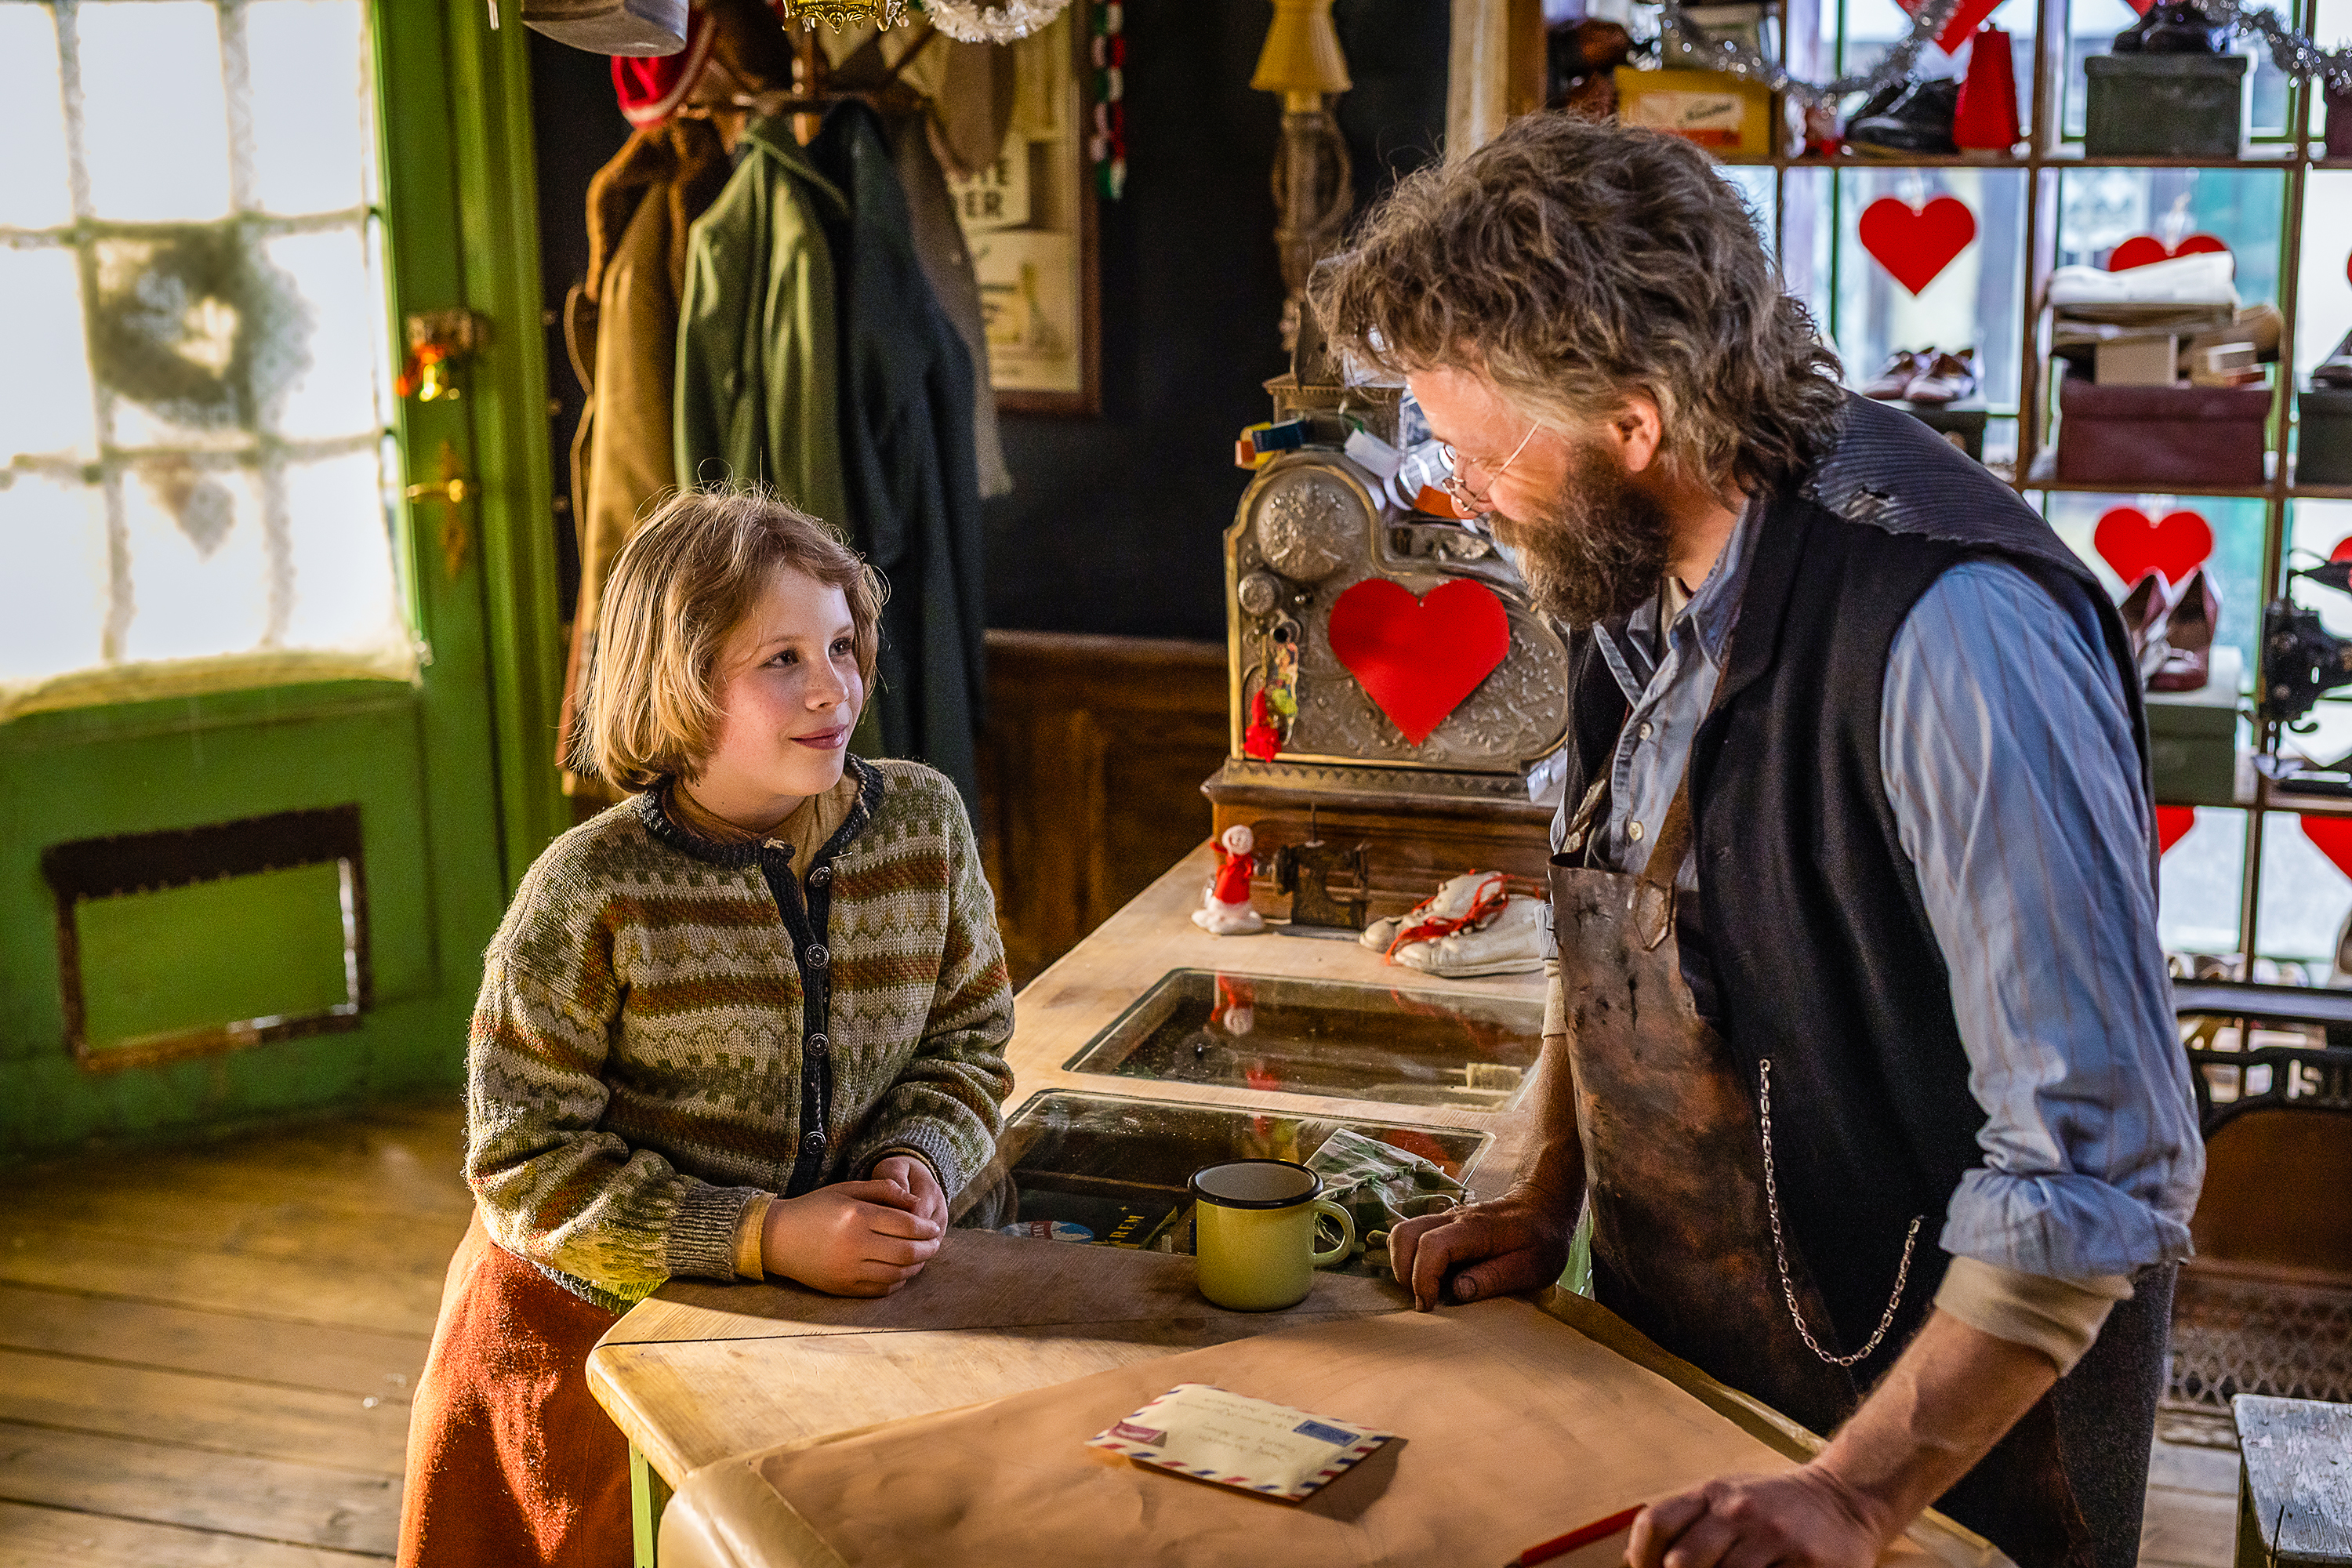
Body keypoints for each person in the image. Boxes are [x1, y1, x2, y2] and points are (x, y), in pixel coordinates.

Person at [1311, 115, 2202, 1568]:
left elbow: (2098, 1168)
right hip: (1705, 1400)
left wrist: (1854, 1498)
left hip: (1944, 1465)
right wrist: (1545, 1186)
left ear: (1635, 423)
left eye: (1477, 454)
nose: (1457, 496)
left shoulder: (1955, 640)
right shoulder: (1621, 561)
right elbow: (1622, 925)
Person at [397, 488, 1014, 1568]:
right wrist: (767, 1235)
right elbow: (522, 1165)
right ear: (677, 681)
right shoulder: (586, 894)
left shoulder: (923, 825)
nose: (832, 689)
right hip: (585, 1351)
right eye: (780, 660)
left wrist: (920, 1155)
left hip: (806, 1330)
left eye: (841, 644)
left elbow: (964, 1040)